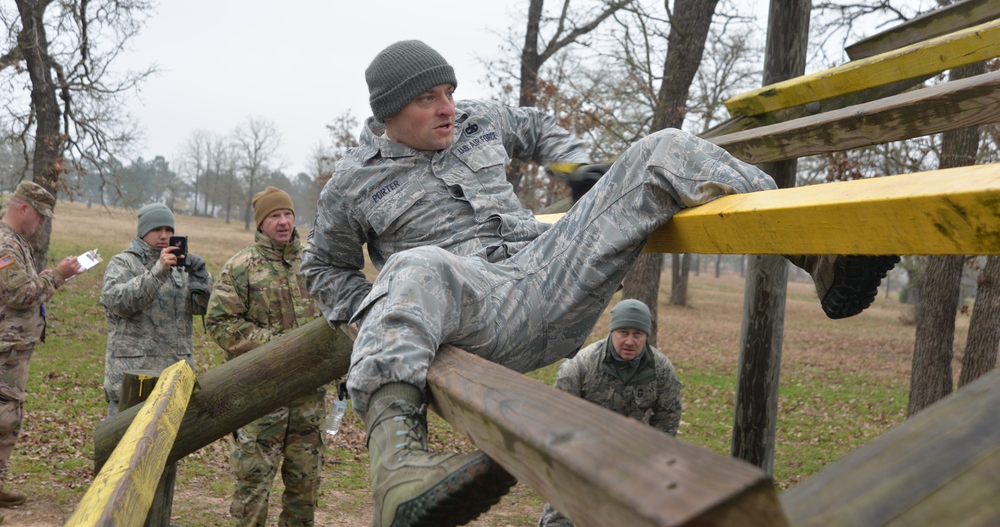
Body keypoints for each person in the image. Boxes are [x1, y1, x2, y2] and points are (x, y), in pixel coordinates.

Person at [301, 40, 898, 527]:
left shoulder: (479, 121)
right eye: (428, 99)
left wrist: (573, 168)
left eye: (449, 91)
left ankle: (822, 257)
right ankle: (399, 471)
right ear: (388, 114)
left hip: (552, 274)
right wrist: (374, 312)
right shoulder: (352, 184)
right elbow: (323, 268)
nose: (447, 107)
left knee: (659, 148)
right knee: (416, 266)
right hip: (476, 311)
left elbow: (535, 126)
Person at [206, 186, 326, 527]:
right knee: (253, 488)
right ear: (261, 223)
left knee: (305, 488)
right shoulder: (241, 267)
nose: (284, 221)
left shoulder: (314, 264)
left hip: (308, 399)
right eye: (275, 216)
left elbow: (336, 318)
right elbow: (218, 323)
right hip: (259, 398)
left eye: (287, 214)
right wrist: (275, 346)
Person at [537, 299, 681, 527]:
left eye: (638, 334)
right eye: (623, 332)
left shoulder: (661, 370)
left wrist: (653, 464)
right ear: (611, 331)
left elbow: (667, 421)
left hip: (635, 459)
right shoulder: (579, 366)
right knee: (561, 520)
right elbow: (558, 422)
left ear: (647, 336)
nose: (630, 341)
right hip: (583, 456)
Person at [0, 181, 81, 507]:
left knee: (8, 415)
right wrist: (57, 276)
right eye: (41, 215)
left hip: (13, 347)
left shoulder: (15, 243)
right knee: (5, 416)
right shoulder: (7, 245)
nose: (42, 223)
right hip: (6, 349)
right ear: (24, 208)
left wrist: (52, 274)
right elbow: (18, 295)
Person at [100, 202, 213, 416]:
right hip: (133, 381)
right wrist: (158, 272)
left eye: (169, 230)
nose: (164, 235)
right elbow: (118, 303)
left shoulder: (182, 267)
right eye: (157, 229)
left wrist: (202, 280)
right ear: (143, 232)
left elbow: (204, 309)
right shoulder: (123, 263)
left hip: (173, 380)